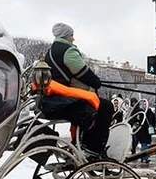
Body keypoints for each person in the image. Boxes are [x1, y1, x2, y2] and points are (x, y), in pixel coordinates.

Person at [39, 22, 114, 158]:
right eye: (71, 35)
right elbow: (82, 72)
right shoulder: (67, 50)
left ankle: (82, 145)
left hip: (54, 98)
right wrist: (96, 82)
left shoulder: (49, 52)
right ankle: (92, 148)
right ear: (65, 36)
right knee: (106, 107)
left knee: (92, 108)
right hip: (65, 100)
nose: (73, 38)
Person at [135, 99, 156, 164]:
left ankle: (143, 157)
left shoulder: (151, 113)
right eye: (144, 104)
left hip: (147, 131)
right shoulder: (141, 112)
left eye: (146, 104)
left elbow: (153, 122)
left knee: (144, 144)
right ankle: (145, 157)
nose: (145, 105)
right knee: (144, 144)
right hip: (142, 131)